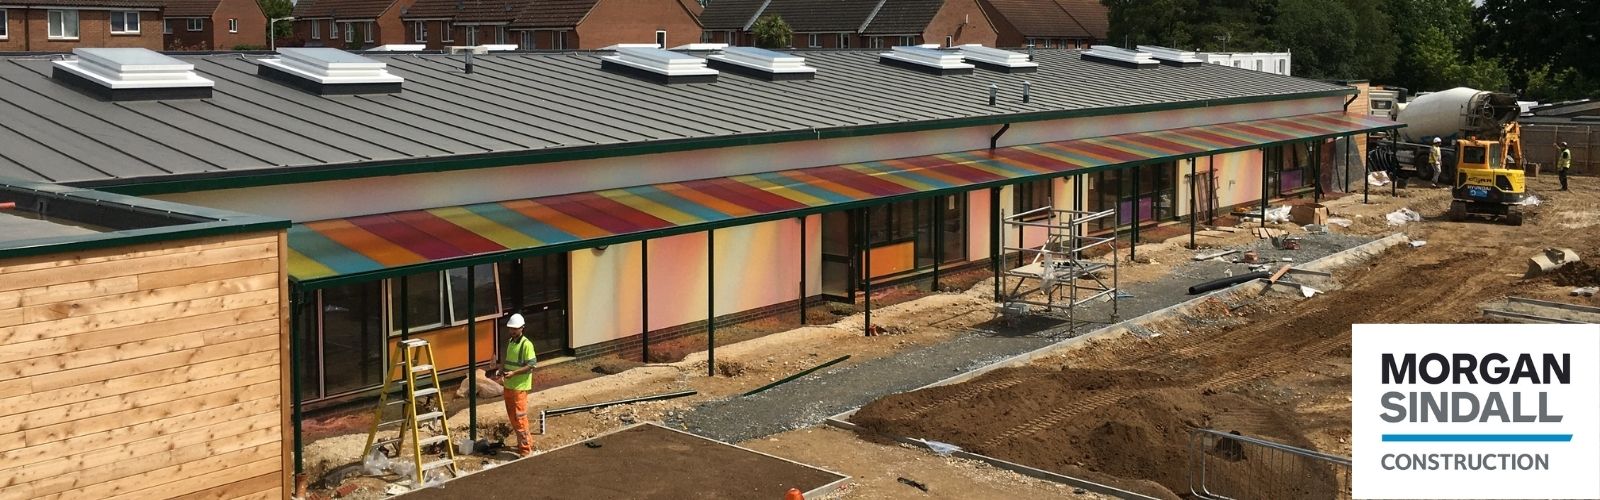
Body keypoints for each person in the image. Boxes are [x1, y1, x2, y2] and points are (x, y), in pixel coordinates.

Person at [495, 313, 537, 457]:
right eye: (511, 328)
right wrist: (501, 369)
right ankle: (527, 443)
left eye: (515, 328)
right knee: (513, 417)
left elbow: (531, 365)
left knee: (520, 418)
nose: (512, 331)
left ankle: (525, 449)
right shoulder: (511, 342)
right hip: (509, 384)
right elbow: (508, 361)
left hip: (520, 386)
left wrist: (514, 373)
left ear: (522, 328)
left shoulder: (527, 344)